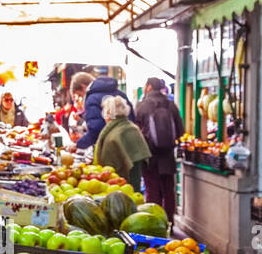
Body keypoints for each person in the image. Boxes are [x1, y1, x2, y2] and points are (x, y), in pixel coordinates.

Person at [134, 76, 182, 218]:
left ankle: (154, 222)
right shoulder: (171, 105)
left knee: (152, 190)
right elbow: (180, 131)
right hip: (167, 155)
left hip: (149, 155)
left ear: (148, 87)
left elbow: (137, 132)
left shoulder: (142, 106)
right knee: (168, 191)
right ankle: (169, 222)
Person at [94, 95, 151, 189]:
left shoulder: (113, 133)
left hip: (116, 183)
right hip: (133, 180)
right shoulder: (132, 128)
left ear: (108, 113)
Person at [73, 71, 132, 151]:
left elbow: (96, 131)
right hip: (128, 146)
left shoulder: (92, 99)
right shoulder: (121, 94)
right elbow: (132, 120)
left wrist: (78, 144)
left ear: (83, 87)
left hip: (110, 150)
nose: (80, 99)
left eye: (79, 95)